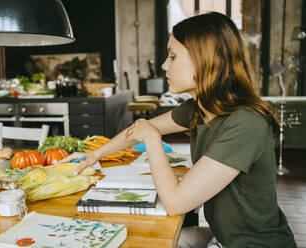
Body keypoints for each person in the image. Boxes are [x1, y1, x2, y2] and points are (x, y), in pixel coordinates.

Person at [60, 12, 297, 248]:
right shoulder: (199, 107)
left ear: (205, 59)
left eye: (172, 56)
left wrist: (152, 139)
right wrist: (94, 155)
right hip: (224, 238)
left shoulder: (245, 124)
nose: (164, 65)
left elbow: (175, 202)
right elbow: (141, 128)